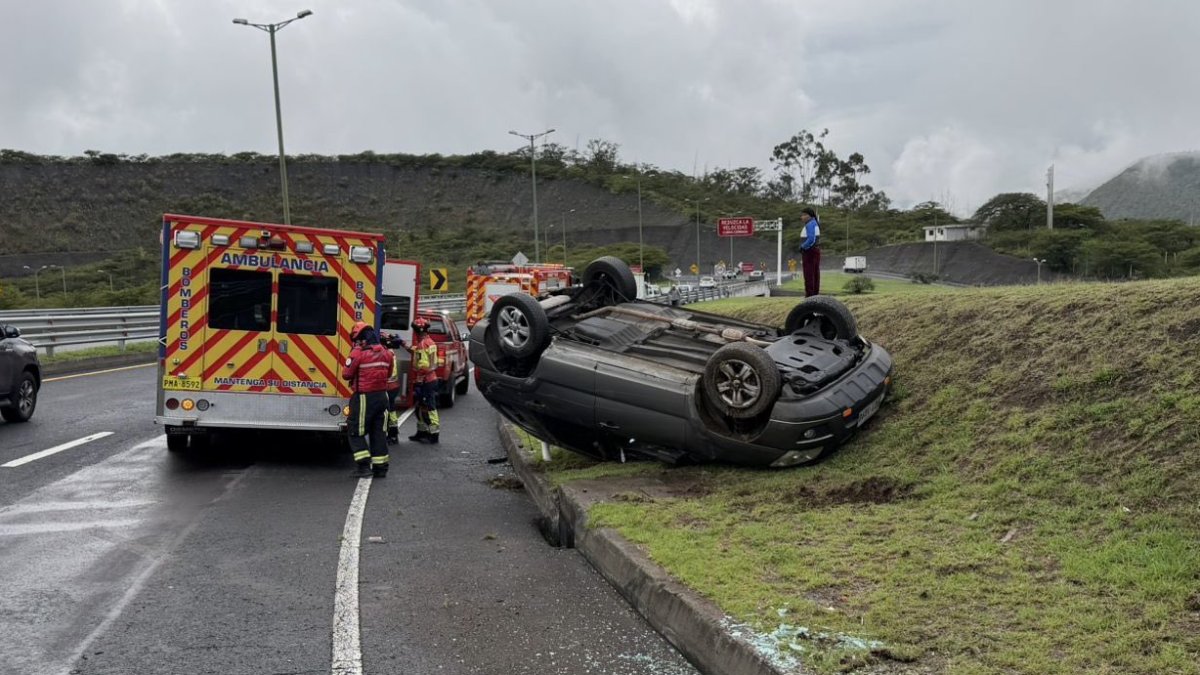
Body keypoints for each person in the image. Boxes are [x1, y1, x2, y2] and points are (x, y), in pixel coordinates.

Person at [342, 321, 395, 478]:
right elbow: (390, 373)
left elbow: (346, 374)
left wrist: (354, 351)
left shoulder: (358, 353)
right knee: (378, 432)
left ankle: (363, 466)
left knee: (354, 429)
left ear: (361, 339)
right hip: (382, 396)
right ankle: (381, 468)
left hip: (364, 396)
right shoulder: (387, 353)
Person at [408, 317, 441, 444]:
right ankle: (421, 432)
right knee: (419, 407)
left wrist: (423, 372)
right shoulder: (423, 343)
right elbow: (416, 354)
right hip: (424, 380)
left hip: (428, 381)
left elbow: (433, 364)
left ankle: (434, 434)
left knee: (430, 407)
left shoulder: (426, 343)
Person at [379, 331, 405, 444]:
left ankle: (391, 434)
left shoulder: (385, 352)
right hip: (393, 385)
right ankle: (392, 433)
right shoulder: (390, 351)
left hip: (388, 386)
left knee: (387, 411)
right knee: (391, 410)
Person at [798, 207, 822, 296]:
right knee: (815, 273)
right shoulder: (815, 223)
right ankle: (815, 294)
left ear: (810, 216)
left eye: (804, 215)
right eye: (802, 215)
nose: (802, 217)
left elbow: (811, 239)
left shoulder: (810, 224)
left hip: (810, 252)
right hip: (815, 251)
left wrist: (803, 247)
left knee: (809, 273)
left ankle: (809, 295)